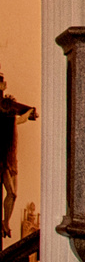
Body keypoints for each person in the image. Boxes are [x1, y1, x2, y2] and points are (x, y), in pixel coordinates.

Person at [0, 76, 36, 239]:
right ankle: (5, 222)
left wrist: (30, 112)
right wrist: (29, 112)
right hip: (3, 159)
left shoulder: (11, 119)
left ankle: (5, 221)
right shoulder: (5, 119)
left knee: (14, 195)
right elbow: (21, 118)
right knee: (12, 193)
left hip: (11, 158)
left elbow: (21, 118)